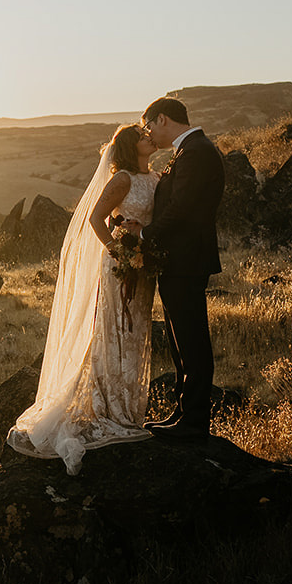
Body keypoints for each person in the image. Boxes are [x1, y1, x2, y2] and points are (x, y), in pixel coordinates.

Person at [7, 123, 160, 473]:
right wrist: (118, 252)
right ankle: (109, 407)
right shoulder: (122, 178)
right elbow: (95, 218)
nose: (149, 137)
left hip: (143, 266)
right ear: (128, 146)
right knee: (115, 331)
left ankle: (129, 407)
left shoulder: (154, 178)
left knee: (135, 333)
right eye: (142, 136)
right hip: (121, 263)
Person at [123, 96, 225, 439]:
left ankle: (194, 422)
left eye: (150, 125)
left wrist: (144, 234)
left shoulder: (197, 152)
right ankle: (182, 412)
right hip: (178, 260)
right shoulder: (190, 151)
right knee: (181, 340)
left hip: (187, 260)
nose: (150, 133)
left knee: (192, 340)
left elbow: (182, 208)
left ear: (163, 119)